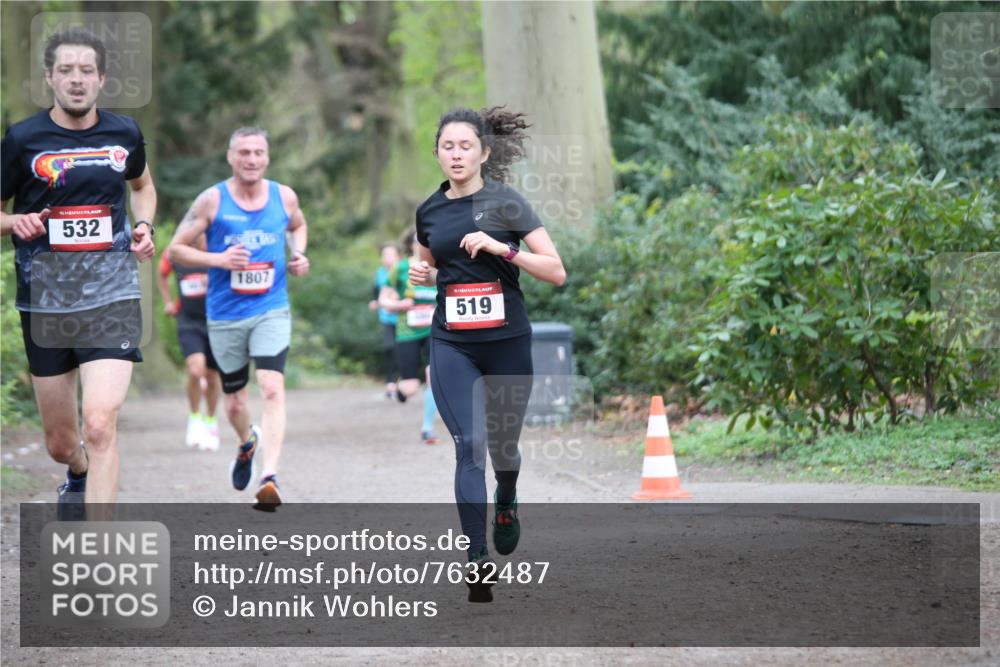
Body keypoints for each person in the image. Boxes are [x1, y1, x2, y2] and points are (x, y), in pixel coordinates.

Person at [410, 107, 566, 602]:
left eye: (465, 146)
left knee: (504, 447)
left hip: (506, 343)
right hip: (452, 341)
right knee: (469, 444)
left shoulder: (507, 203)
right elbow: (431, 264)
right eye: (448, 147)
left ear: (484, 152)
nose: (456, 154)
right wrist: (422, 276)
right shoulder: (428, 211)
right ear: (436, 152)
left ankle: (507, 497)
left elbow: (556, 271)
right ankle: (476, 559)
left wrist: (504, 250)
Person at [0, 27, 157, 513]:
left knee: (100, 423)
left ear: (101, 79)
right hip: (45, 302)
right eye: (65, 70)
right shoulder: (23, 139)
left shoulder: (124, 133)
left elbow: (142, 187)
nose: (76, 79)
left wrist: (145, 225)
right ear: (50, 78)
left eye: (86, 70)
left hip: (112, 296)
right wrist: (14, 221)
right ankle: (77, 471)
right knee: (63, 442)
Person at [168, 126, 309, 511]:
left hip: (271, 309)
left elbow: (298, 225)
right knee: (233, 403)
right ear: (231, 157)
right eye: (243, 152)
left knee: (271, 387)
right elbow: (176, 250)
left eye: (258, 153)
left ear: (267, 157)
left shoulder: (284, 197)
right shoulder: (212, 201)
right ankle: (247, 443)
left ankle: (269, 477)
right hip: (225, 315)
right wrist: (219, 260)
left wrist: (298, 254)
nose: (251, 159)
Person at [156, 236, 222, 451]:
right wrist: (167, 302)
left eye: (202, 235)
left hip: (217, 320)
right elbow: (161, 274)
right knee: (195, 370)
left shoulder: (219, 249)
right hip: (188, 320)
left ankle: (211, 422)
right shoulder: (176, 253)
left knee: (212, 376)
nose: (197, 241)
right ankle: (195, 418)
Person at [378, 229, 439, 444]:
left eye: (427, 242)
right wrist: (397, 304)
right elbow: (383, 299)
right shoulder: (401, 267)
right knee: (411, 387)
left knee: (434, 375)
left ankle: (427, 427)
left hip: (435, 329)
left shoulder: (440, 265)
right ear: (412, 245)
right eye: (418, 242)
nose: (422, 245)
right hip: (408, 330)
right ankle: (403, 390)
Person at [369, 243, 400, 399]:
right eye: (385, 255)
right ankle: (390, 383)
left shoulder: (403, 270)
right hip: (387, 317)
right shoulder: (380, 273)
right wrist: (374, 301)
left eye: (391, 255)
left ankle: (404, 382)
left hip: (403, 318)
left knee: (402, 350)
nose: (388, 258)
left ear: (398, 256)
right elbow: (375, 290)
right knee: (389, 348)